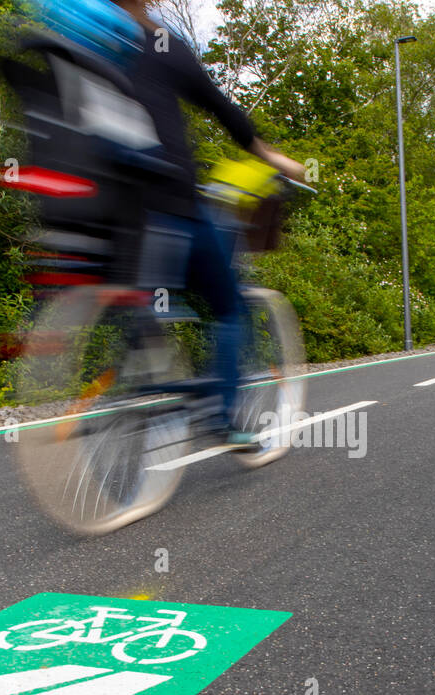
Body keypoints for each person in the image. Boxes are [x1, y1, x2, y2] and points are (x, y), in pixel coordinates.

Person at [109, 0, 306, 446]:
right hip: (168, 204)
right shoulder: (161, 44)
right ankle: (221, 411)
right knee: (229, 304)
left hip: (105, 218)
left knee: (149, 295)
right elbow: (219, 105)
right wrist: (268, 154)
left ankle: (144, 344)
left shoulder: (86, 37)